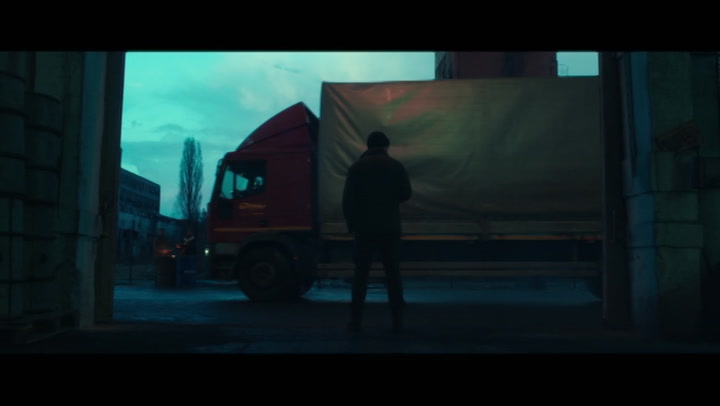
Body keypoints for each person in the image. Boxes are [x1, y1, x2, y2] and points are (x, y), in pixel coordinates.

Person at [342, 130, 412, 333]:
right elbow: (406, 194)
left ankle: (356, 321)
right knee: (393, 275)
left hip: (364, 229)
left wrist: (352, 225)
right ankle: (397, 320)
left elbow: (348, 201)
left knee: (361, 275)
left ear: (368, 145)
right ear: (386, 146)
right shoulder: (395, 166)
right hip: (390, 228)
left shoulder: (357, 168)